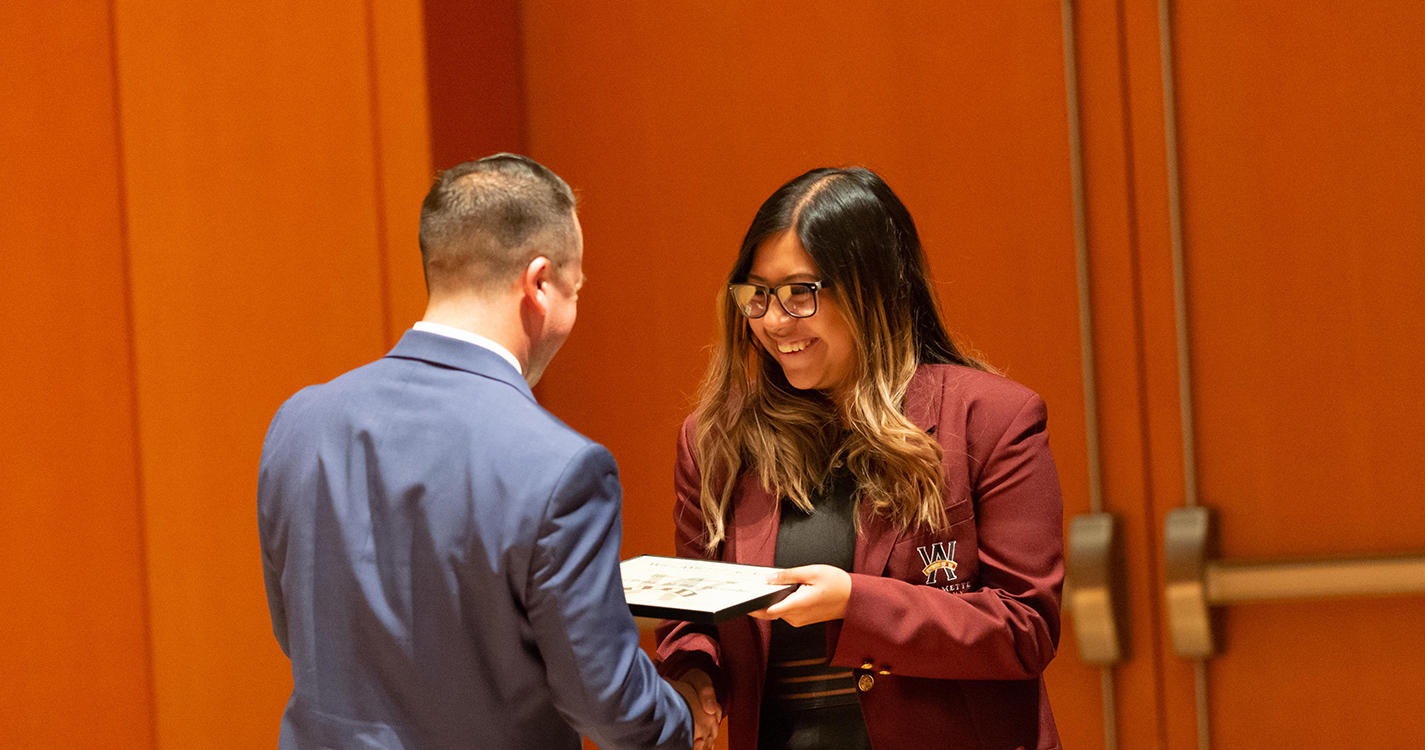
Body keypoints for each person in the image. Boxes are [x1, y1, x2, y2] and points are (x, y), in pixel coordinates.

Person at [258, 154, 718, 750]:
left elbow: (298, 632)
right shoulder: (562, 468)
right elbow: (602, 700)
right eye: (575, 290)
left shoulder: (299, 422)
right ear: (539, 284)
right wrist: (680, 712)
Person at [655, 167, 1065, 750]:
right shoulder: (716, 441)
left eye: (801, 293)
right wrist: (694, 676)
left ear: (873, 289)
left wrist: (855, 602)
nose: (774, 320)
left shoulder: (992, 419)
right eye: (758, 294)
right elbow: (696, 620)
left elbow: (1024, 630)